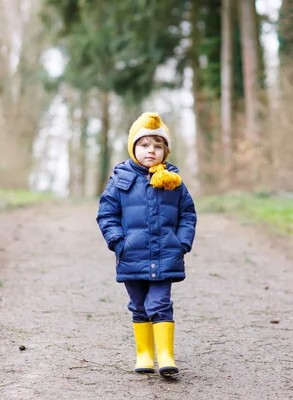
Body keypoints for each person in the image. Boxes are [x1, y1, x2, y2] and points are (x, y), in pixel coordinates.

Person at [96, 112, 197, 376]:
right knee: (138, 305)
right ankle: (144, 354)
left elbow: (187, 213)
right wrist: (118, 241)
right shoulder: (120, 180)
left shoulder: (173, 182)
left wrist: (182, 242)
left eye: (157, 145)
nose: (150, 150)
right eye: (144, 145)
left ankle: (165, 354)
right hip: (132, 254)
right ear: (133, 148)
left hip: (166, 253)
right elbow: (107, 213)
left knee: (160, 303)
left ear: (166, 150)